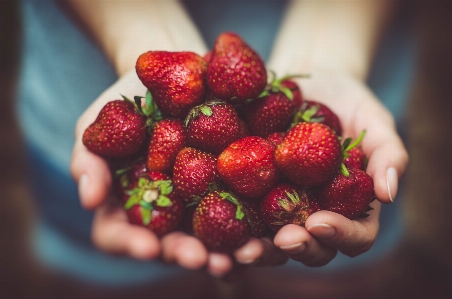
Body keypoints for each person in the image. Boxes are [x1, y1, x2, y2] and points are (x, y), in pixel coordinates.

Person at [17, 0, 411, 293]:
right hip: (78, 83)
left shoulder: (279, 146)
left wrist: (330, 54)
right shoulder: (203, 144)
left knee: (323, 286)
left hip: (357, 43)